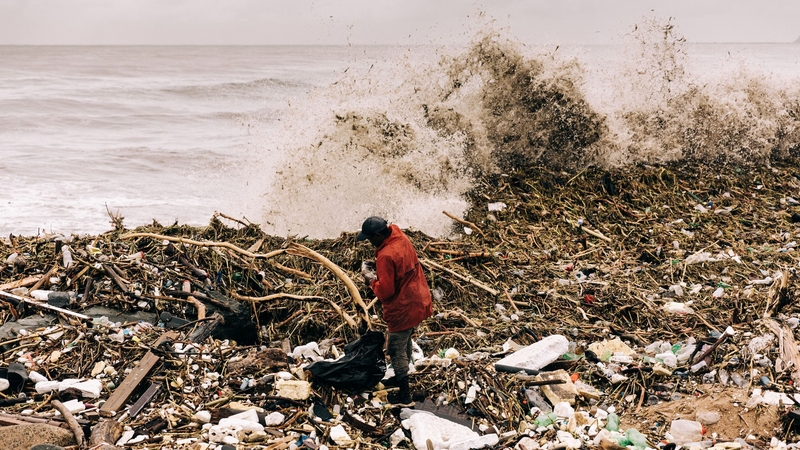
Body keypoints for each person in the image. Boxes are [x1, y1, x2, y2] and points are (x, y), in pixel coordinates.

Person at [357, 216, 432, 406]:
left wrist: (370, 279)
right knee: (405, 340)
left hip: (403, 307)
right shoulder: (399, 235)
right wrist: (381, 270)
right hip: (419, 298)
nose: (369, 242)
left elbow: (386, 291)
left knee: (396, 348)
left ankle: (405, 395)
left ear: (379, 234)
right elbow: (400, 263)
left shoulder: (385, 256)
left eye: (370, 238)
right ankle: (402, 378)